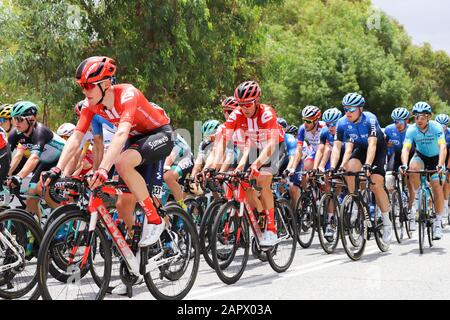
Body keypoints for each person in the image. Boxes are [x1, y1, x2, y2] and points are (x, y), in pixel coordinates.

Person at [43, 56, 174, 249]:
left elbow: (121, 134)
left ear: (105, 84)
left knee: (122, 163)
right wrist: (57, 169)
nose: (84, 91)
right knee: (122, 204)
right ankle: (138, 249)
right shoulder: (91, 105)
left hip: (159, 134)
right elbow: (76, 138)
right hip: (136, 140)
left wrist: (103, 169)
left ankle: (156, 222)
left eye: (88, 86)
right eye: (81, 86)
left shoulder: (128, 94)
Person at [213, 80, 285, 246]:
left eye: (248, 104)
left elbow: (272, 144)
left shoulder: (267, 113)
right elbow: (223, 140)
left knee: (262, 180)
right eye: (240, 104)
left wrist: (257, 164)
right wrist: (212, 166)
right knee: (242, 183)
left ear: (257, 101)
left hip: (273, 147)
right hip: (253, 148)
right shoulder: (237, 114)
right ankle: (260, 213)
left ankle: (272, 228)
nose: (244, 108)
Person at [329, 92, 392, 245]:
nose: (348, 112)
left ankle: (386, 222)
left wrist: (368, 165)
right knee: (349, 169)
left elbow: (372, 144)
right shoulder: (342, 123)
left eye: (351, 109)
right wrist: (332, 167)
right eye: (345, 109)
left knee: (376, 184)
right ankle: (356, 203)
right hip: (361, 149)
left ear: (360, 109)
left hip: (377, 149)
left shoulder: (369, 119)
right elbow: (337, 148)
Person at [8, 101, 65, 221]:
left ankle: (66, 218)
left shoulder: (40, 131)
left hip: (61, 159)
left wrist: (19, 177)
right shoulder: (15, 134)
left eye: (19, 119)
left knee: (39, 188)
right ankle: (38, 228)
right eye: (14, 119)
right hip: (46, 162)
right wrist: (7, 173)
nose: (16, 123)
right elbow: (12, 157)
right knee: (31, 196)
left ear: (31, 119)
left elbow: (34, 158)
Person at [400, 102, 446, 239]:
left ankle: (438, 223)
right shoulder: (412, 130)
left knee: (437, 187)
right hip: (421, 156)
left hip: (436, 158)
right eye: (416, 117)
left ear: (428, 117)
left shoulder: (436, 127)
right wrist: (404, 164)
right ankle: (419, 194)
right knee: (412, 169)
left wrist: (440, 165)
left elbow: (443, 147)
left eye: (422, 117)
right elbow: (406, 148)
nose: (419, 120)